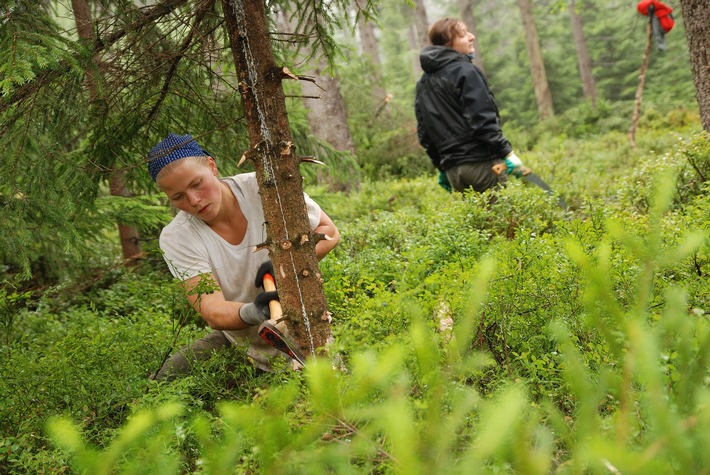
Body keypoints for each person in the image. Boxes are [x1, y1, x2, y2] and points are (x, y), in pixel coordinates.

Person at [147, 133, 340, 381]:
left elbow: (330, 232)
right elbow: (212, 310)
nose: (193, 201)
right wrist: (255, 311)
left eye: (197, 184)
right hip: (240, 341)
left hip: (304, 329)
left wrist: (282, 266)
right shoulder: (177, 237)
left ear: (212, 166)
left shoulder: (262, 189)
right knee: (164, 382)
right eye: (178, 197)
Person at [415, 18, 528, 194]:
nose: (471, 36)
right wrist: (507, 153)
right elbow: (482, 119)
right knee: (502, 219)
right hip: (483, 164)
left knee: (477, 221)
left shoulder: (423, 83)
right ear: (448, 43)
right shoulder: (466, 71)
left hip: (454, 172)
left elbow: (425, 133)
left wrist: (441, 166)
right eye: (463, 34)